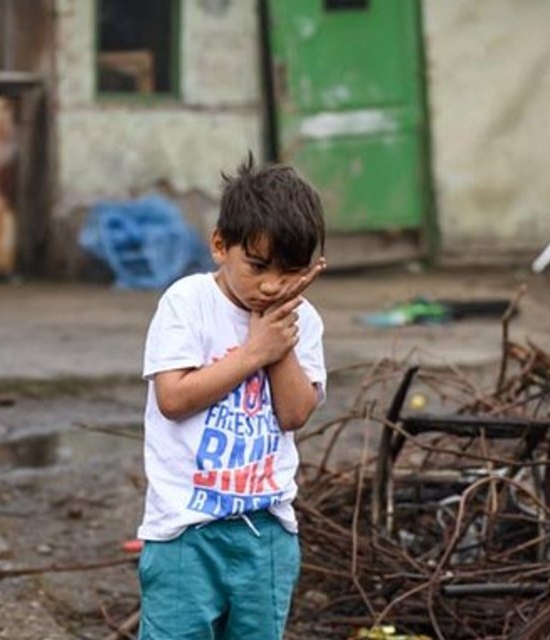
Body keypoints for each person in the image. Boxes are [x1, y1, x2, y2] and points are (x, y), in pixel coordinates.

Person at [135, 156, 329, 639]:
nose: (271, 285)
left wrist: (277, 341)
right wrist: (253, 352)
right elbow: (173, 398)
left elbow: (295, 413)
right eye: (258, 266)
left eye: (290, 272)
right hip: (185, 531)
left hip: (267, 533)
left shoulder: (301, 321)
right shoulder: (188, 303)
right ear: (221, 244)